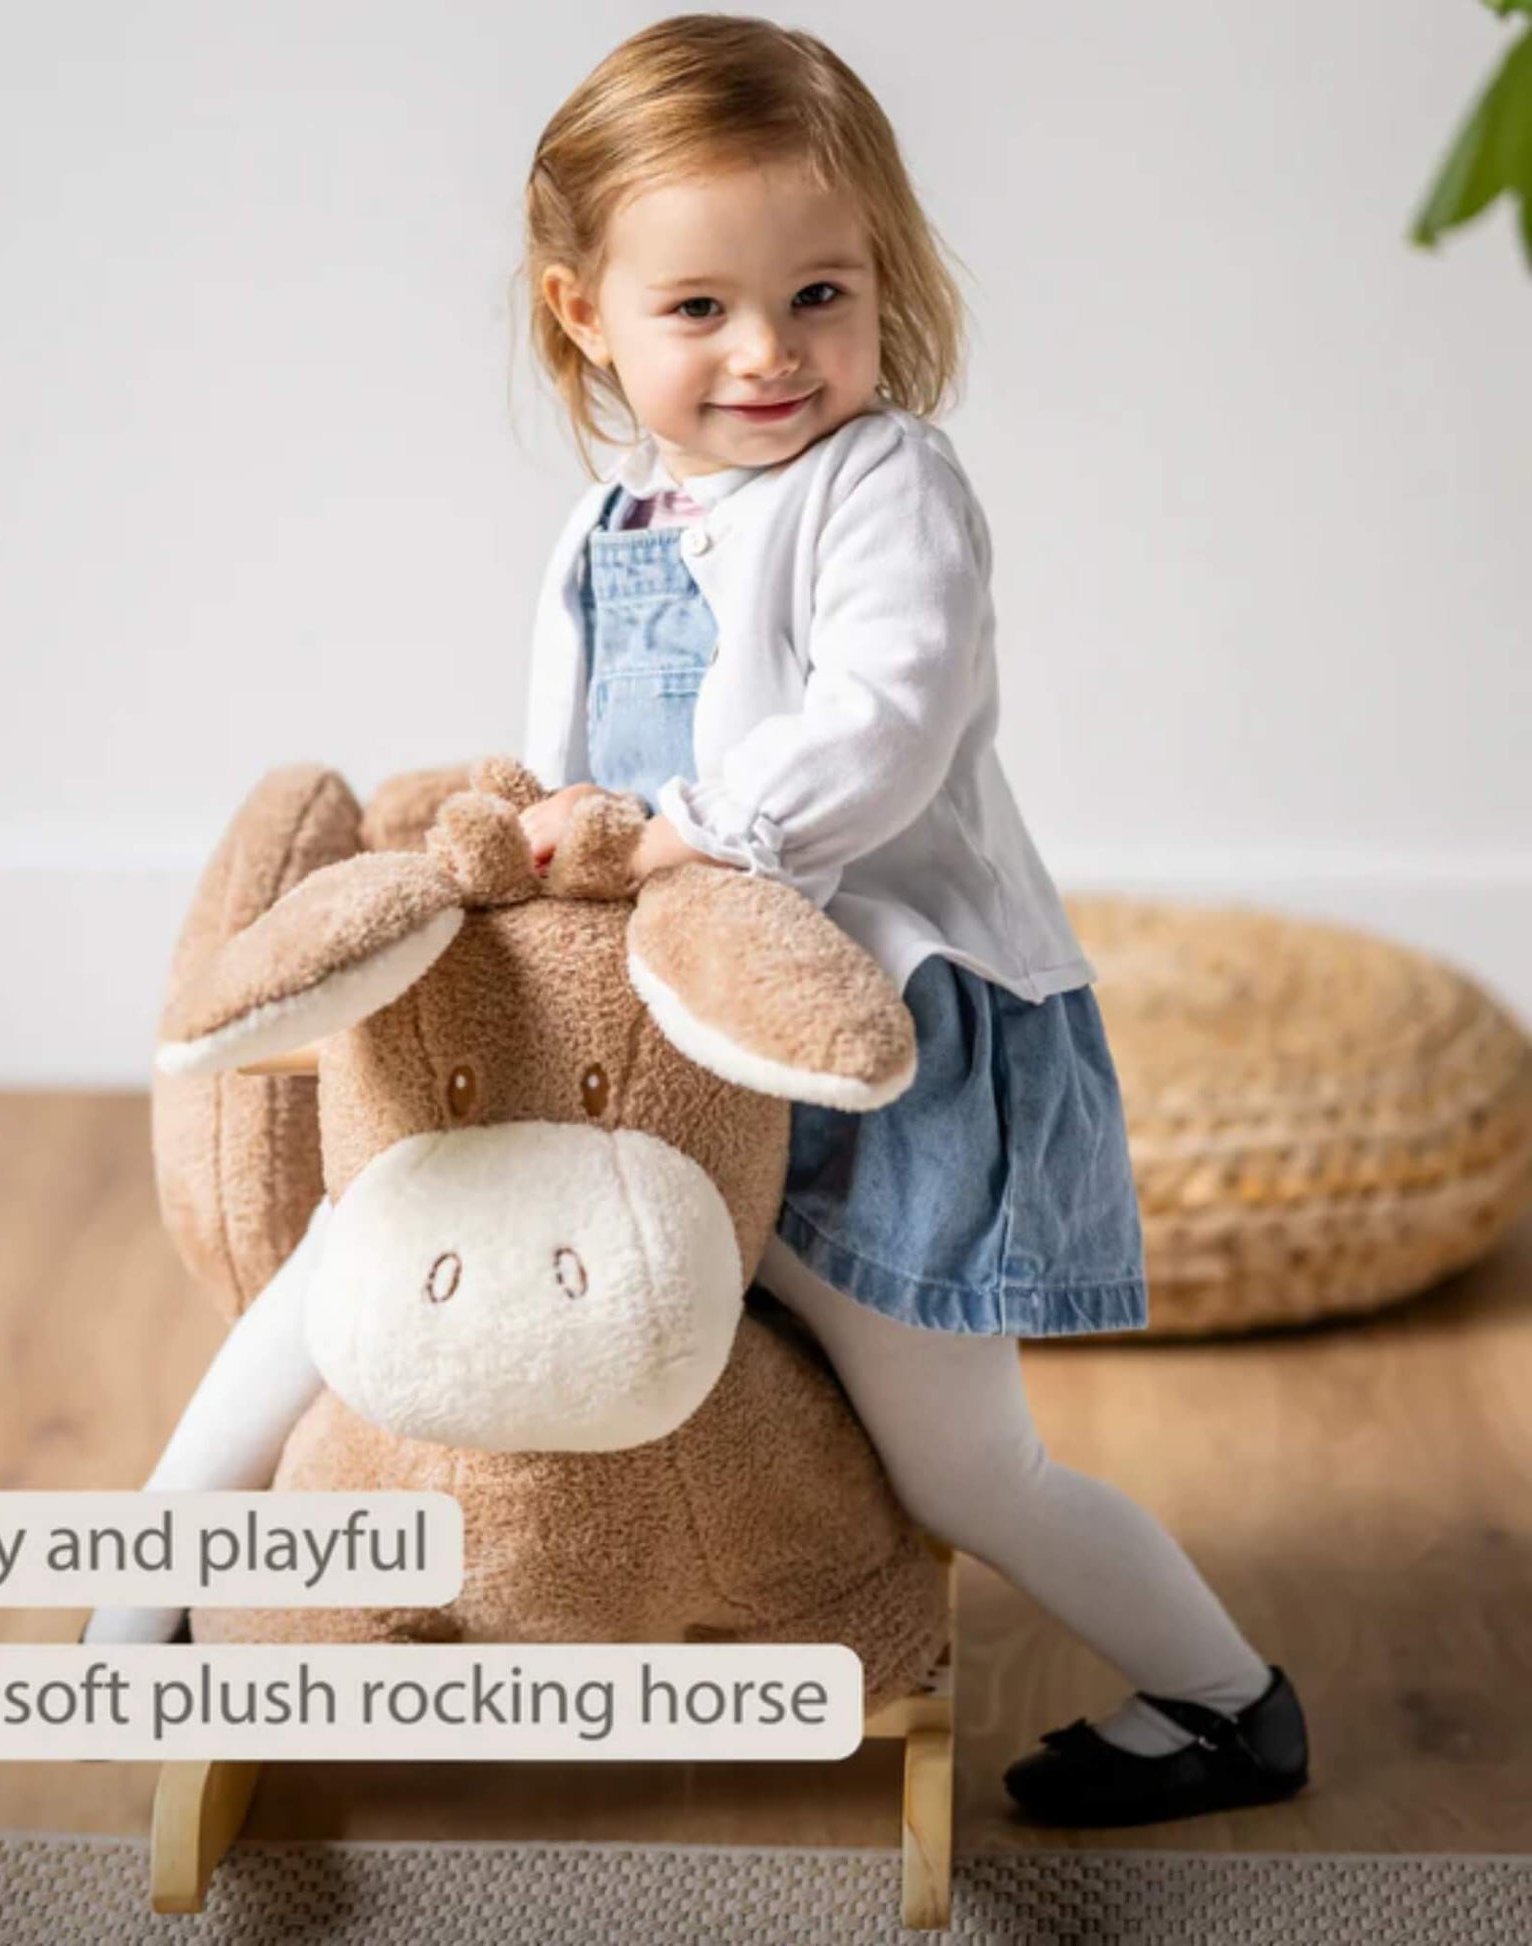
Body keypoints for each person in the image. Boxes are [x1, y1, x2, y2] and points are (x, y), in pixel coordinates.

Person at [514, 13, 1309, 1827]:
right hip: (685, 1036)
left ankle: (1227, 1701)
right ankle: (201, 1571)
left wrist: (679, 835)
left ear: (884, 277)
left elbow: (883, 722)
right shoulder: (601, 527)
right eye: (699, 306)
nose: (769, 350)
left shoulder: (887, 488)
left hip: (892, 1049)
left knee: (960, 1466)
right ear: (585, 315)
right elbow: (566, 764)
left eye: (819, 293)